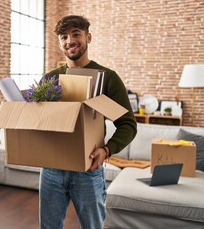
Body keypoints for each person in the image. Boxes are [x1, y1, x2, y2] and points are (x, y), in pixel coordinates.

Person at [39, 15, 137, 229]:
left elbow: (128, 124)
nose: (70, 41)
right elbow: (39, 120)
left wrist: (107, 150)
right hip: (51, 170)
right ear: (60, 43)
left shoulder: (107, 78)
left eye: (76, 34)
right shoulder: (50, 79)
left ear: (88, 37)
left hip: (89, 169)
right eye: (64, 37)